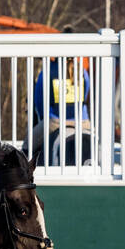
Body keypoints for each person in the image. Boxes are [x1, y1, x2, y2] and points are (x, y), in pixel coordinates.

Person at [30, 37, 92, 165]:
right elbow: (85, 94)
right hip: (83, 122)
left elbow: (39, 100)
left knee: (28, 145)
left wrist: (43, 116)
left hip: (55, 121)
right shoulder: (83, 72)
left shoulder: (48, 70)